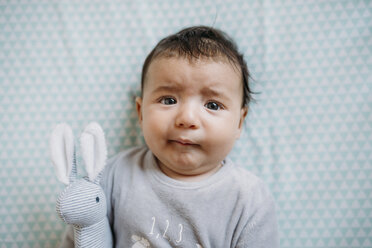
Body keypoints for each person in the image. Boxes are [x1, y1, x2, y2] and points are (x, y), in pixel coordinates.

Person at [60, 26, 279, 247]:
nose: (187, 118)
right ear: (141, 113)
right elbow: (83, 236)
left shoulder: (249, 200)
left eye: (212, 105)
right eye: (168, 100)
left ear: (239, 122)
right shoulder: (114, 176)